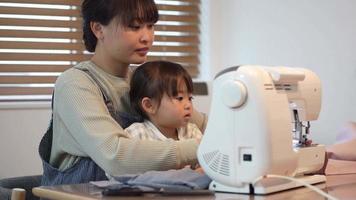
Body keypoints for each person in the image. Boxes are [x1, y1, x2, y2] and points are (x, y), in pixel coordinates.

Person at [38, 0, 207, 186]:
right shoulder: (75, 84)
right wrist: (202, 147)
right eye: (135, 27)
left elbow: (205, 126)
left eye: (150, 26)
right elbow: (116, 156)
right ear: (98, 29)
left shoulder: (146, 81)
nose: (147, 37)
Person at [126, 61, 203, 142]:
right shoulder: (137, 134)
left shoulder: (192, 131)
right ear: (149, 105)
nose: (188, 105)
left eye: (190, 98)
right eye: (180, 98)